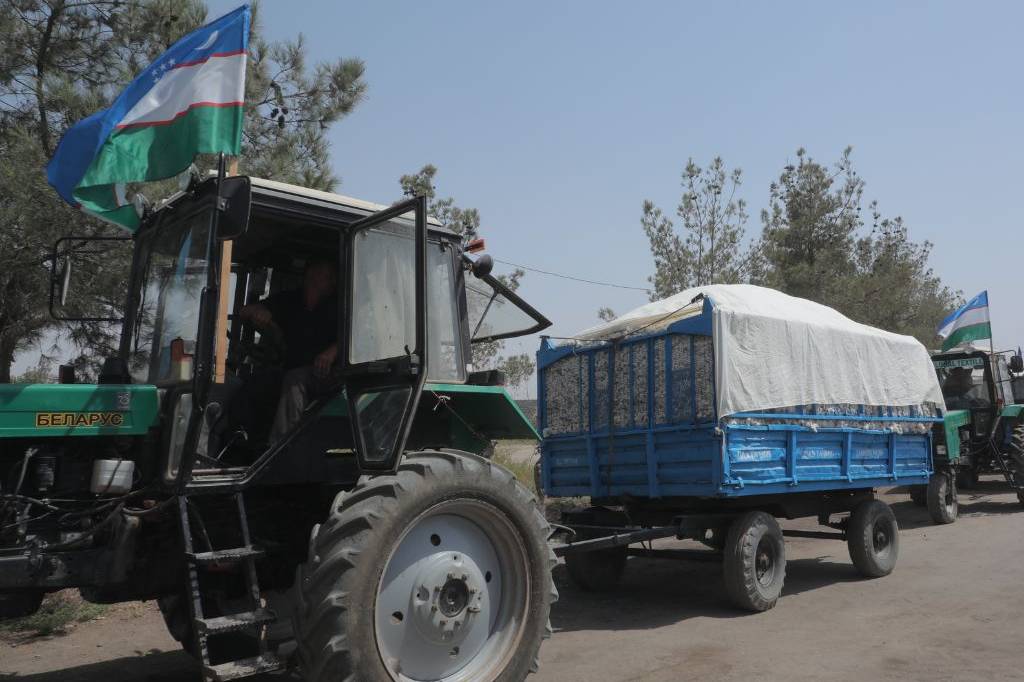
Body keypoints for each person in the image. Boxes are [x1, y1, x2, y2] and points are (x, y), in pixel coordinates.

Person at [239, 258, 339, 443]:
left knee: (295, 381)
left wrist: (332, 352)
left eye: (325, 277)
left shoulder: (341, 305)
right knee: (255, 383)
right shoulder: (289, 300)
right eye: (313, 275)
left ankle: (280, 451)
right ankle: (241, 444)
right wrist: (260, 311)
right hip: (289, 368)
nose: (314, 280)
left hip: (329, 375)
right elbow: (245, 311)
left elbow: (359, 335)